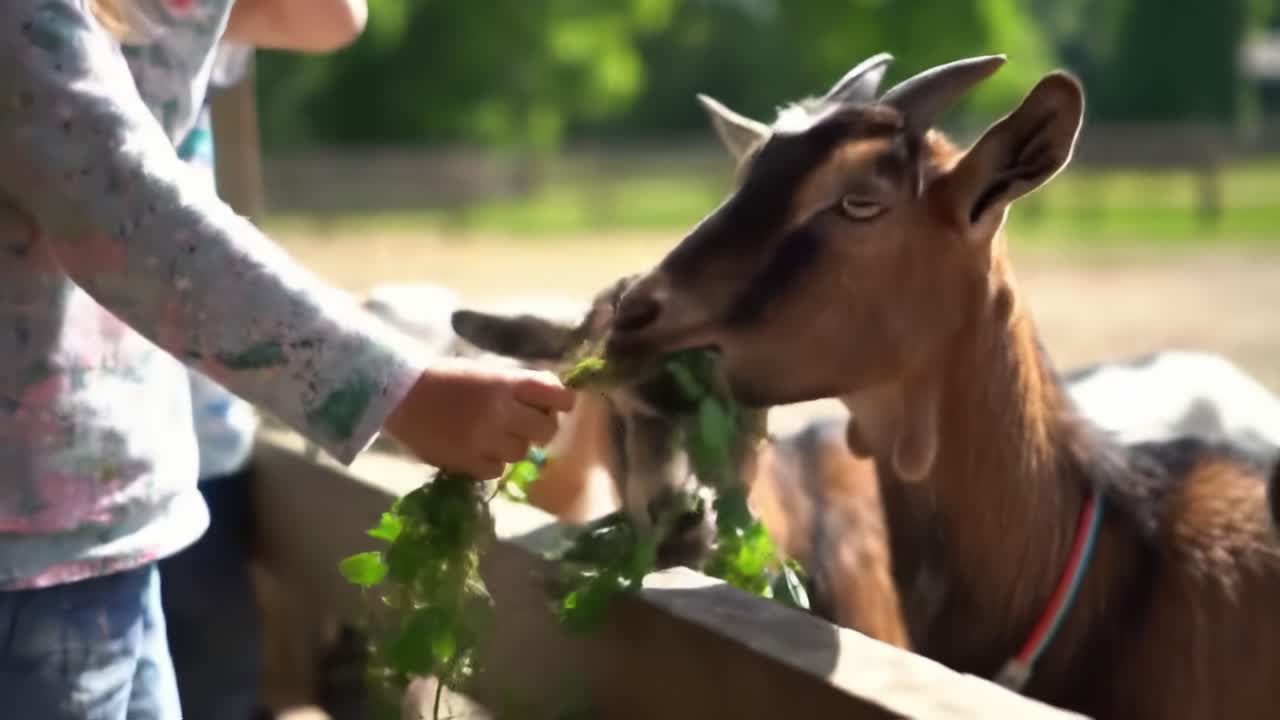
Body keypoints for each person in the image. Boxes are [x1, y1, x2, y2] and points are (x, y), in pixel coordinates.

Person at [0, 2, 576, 719]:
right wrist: (399, 392)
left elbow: (333, 14)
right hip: (31, 564)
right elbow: (125, 210)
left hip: (105, 536)